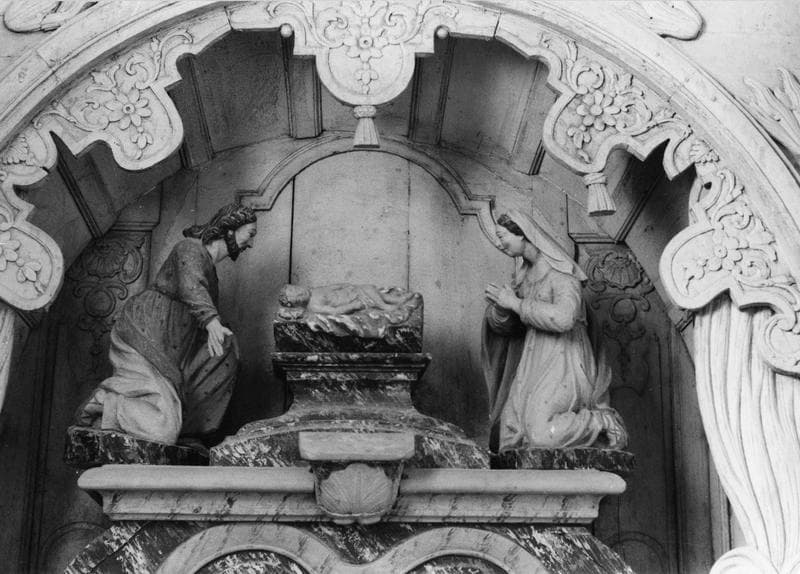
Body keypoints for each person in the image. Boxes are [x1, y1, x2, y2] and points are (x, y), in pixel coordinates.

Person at [75, 201, 258, 445]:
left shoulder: (209, 268)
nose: (251, 243)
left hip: (169, 345)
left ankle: (183, 428)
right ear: (230, 229)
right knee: (162, 429)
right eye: (250, 234)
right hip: (144, 335)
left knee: (223, 352)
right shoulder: (190, 248)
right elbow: (191, 285)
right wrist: (212, 321)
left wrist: (223, 342)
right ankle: (104, 403)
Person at [482, 209, 627, 452]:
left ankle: (601, 422)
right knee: (508, 436)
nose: (499, 243)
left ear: (522, 234)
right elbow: (512, 327)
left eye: (502, 236)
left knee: (541, 435)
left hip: (563, 360)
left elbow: (564, 318)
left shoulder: (562, 276)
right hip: (532, 361)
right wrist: (501, 308)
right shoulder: (524, 278)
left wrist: (515, 303)